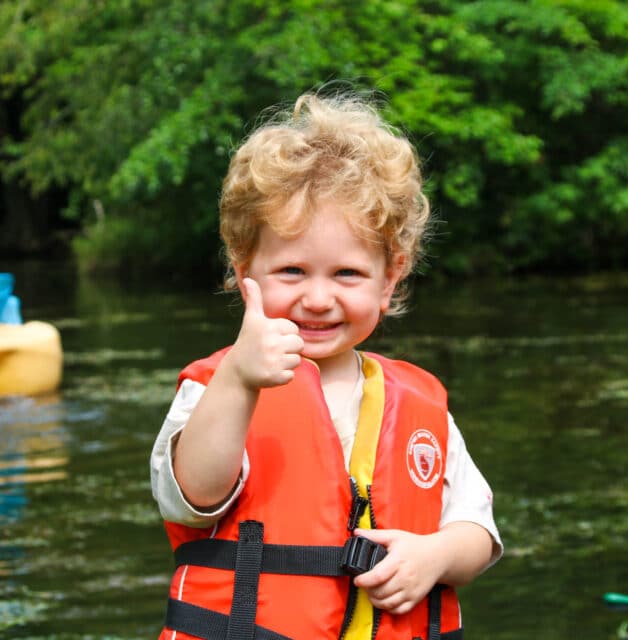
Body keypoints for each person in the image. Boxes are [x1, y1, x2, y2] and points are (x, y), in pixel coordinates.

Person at [150, 90, 502, 640]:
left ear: (389, 279)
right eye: (292, 270)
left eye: (346, 274)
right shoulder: (222, 385)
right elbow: (192, 495)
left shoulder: (420, 406)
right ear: (246, 269)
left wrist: (434, 555)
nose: (318, 298)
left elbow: (477, 529)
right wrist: (240, 379)